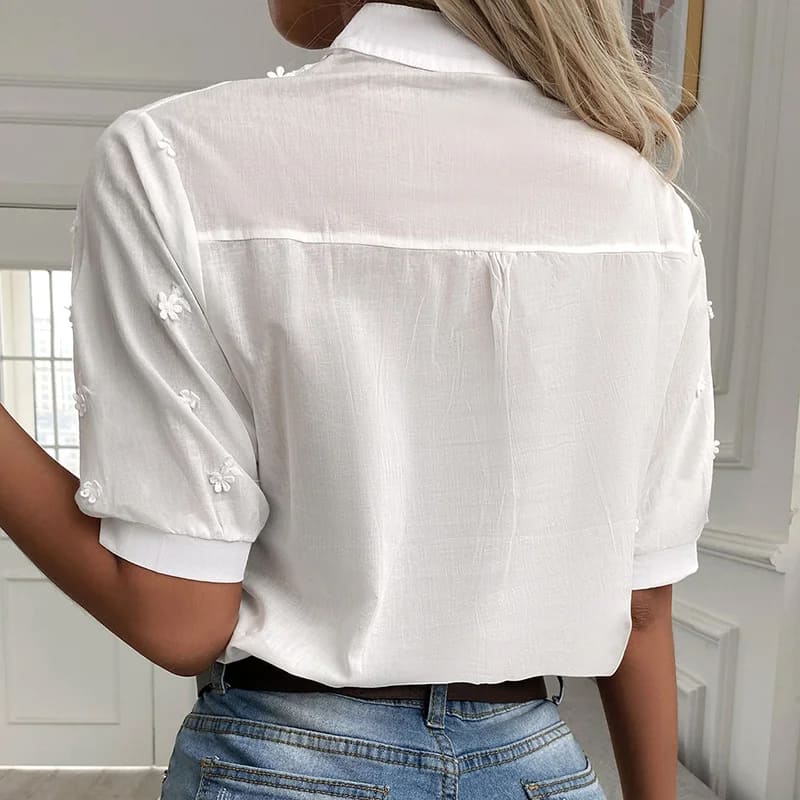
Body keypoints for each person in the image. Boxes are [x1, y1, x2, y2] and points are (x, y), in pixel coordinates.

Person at [0, 0, 715, 798]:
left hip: (283, 767)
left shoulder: (174, 160)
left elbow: (177, 619)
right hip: (539, 766)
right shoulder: (648, 212)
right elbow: (643, 607)